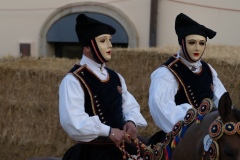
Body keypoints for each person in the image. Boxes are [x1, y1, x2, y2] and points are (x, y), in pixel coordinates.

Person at [59, 13, 147, 160]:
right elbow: (73, 121)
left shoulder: (116, 77)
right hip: (92, 153)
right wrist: (108, 131)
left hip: (122, 150)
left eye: (110, 40)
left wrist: (131, 122)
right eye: (103, 41)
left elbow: (129, 106)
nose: (110, 45)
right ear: (87, 47)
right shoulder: (74, 80)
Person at [148, 13, 226, 144]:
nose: (197, 48)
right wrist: (195, 124)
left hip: (208, 135)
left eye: (202, 43)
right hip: (180, 138)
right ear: (182, 42)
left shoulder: (208, 69)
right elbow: (161, 109)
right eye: (192, 42)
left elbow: (221, 99)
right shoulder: (167, 73)